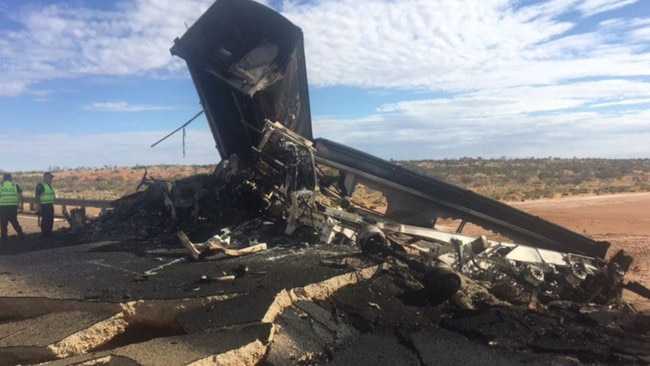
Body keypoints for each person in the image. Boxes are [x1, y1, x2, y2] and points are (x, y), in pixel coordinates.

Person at [0, 173, 24, 242]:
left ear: (4, 179)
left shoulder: (1, 186)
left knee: (3, 223)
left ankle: (4, 238)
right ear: (11, 178)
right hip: (13, 207)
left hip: (3, 207)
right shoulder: (15, 186)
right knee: (14, 221)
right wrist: (21, 206)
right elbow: (21, 197)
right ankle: (21, 234)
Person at [35, 171, 56, 238]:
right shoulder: (41, 185)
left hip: (50, 205)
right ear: (45, 178)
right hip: (44, 206)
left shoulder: (49, 185)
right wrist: (38, 206)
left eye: (51, 178)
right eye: (50, 177)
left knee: (50, 220)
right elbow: (37, 196)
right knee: (45, 220)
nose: (51, 179)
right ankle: (44, 234)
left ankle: (49, 233)